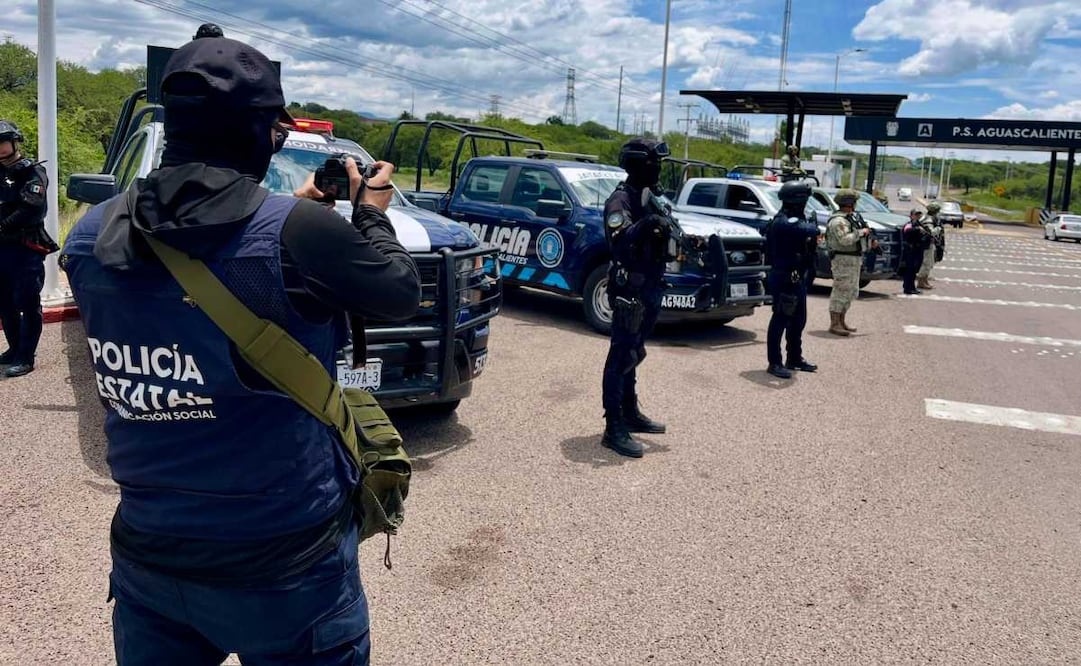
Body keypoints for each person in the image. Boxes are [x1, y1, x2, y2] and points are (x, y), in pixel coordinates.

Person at [61, 35, 420, 664]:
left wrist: (291, 214)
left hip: (149, 554)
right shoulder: (296, 233)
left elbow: (186, 267)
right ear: (261, 129)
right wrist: (370, 212)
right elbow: (398, 292)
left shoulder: (93, 232)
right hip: (284, 566)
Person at [600, 137, 672, 458]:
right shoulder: (621, 200)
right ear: (637, 165)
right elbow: (619, 242)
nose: (657, 169)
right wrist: (646, 225)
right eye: (652, 163)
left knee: (635, 352)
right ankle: (613, 425)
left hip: (651, 286)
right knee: (621, 356)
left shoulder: (652, 197)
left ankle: (630, 412)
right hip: (630, 289)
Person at [0, 119, 51, 378]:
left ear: (14, 141)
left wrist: (3, 225)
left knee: (27, 301)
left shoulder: (32, 172)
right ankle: (14, 348)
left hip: (25, 246)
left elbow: (32, 208)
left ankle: (26, 356)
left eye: (2, 142)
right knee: (5, 302)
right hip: (2, 248)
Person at [764, 180, 820, 378]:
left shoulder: (793, 220)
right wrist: (812, 224)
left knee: (798, 320)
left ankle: (794, 358)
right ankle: (775, 362)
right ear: (798, 202)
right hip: (783, 277)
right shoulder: (783, 222)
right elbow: (811, 230)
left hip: (797, 277)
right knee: (781, 318)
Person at [826, 189, 870, 337]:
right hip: (843, 260)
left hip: (852, 259)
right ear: (849, 203)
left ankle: (842, 321)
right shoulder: (839, 221)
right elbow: (844, 240)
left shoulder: (849, 218)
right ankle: (834, 323)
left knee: (850, 291)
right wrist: (861, 232)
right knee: (841, 290)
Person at [901, 208, 929, 295]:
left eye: (918, 215)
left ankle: (911, 287)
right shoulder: (910, 224)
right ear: (911, 215)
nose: (917, 216)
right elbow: (906, 230)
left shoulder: (919, 224)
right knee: (910, 269)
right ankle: (908, 288)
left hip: (917, 250)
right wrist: (917, 229)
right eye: (915, 214)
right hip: (911, 250)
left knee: (914, 270)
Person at [917, 202, 943, 290]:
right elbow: (931, 232)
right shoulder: (928, 220)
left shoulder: (927, 218)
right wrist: (938, 228)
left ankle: (925, 280)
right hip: (927, 244)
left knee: (930, 262)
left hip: (929, 244)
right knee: (926, 263)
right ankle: (921, 281)